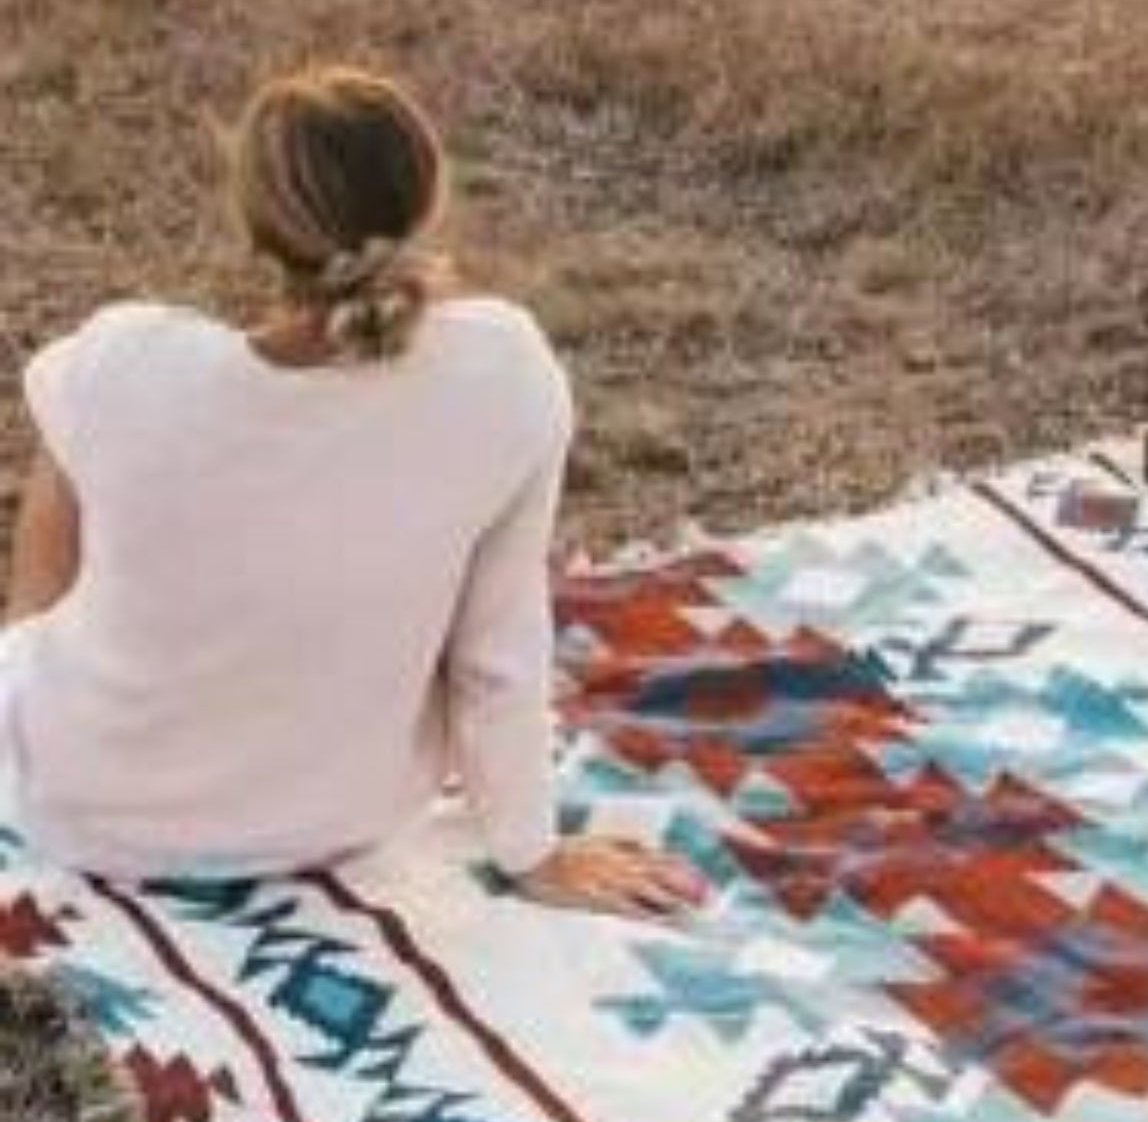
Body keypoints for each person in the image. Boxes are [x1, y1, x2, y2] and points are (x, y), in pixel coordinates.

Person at [2, 63, 701, 918]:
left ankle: (26, 665)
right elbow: (499, 653)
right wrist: (532, 852)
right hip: (340, 818)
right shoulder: (506, 376)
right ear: (429, 199)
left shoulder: (125, 363)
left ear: (253, 223)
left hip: (87, 806)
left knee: (71, 432)